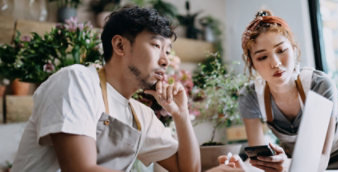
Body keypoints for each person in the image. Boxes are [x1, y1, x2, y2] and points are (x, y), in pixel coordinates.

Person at [11, 6, 200, 172]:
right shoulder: (77, 81)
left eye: (168, 51)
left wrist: (181, 114)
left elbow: (188, 169)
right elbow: (80, 169)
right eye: (156, 45)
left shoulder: (141, 115)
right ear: (119, 45)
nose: (165, 60)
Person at [238, 10, 338, 172]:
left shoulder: (319, 85)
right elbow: (260, 161)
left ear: (293, 49)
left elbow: (320, 160)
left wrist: (287, 165)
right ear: (252, 64)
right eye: (262, 57)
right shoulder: (250, 96)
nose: (275, 63)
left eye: (281, 50)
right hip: (298, 164)